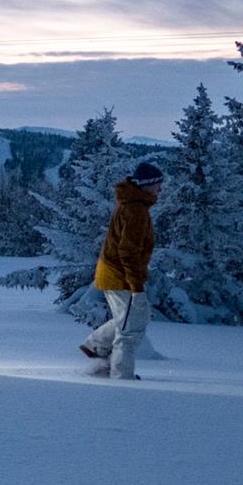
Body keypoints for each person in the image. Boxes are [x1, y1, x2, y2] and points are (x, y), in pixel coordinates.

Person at [80, 160, 163, 379]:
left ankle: (96, 345)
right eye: (157, 184)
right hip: (119, 276)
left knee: (135, 317)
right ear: (145, 185)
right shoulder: (135, 210)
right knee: (130, 328)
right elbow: (128, 251)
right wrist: (136, 286)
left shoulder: (134, 205)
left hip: (115, 273)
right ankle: (121, 377)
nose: (160, 189)